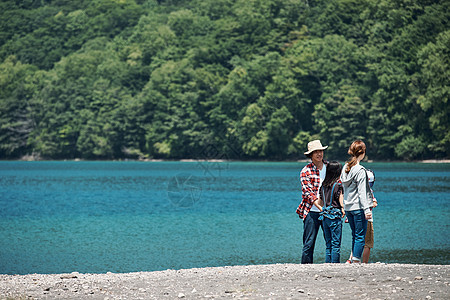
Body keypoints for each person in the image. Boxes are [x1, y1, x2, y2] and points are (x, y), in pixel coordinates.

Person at [340, 140, 374, 264]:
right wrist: (367, 210)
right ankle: (356, 261)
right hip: (358, 207)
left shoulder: (345, 167)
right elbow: (362, 192)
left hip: (348, 206)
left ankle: (354, 259)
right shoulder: (360, 170)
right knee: (360, 236)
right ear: (363, 153)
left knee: (355, 235)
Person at [296, 140, 328, 264]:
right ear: (311, 155)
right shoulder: (305, 171)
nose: (319, 154)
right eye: (316, 152)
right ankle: (305, 268)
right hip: (311, 211)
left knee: (331, 243)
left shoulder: (330, 167)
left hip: (328, 210)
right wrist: (320, 208)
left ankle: (332, 266)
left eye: (321, 151)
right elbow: (308, 193)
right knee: (308, 244)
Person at [315, 161, 345, 263]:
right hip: (335, 216)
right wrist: (343, 209)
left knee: (328, 244)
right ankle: (335, 265)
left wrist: (324, 209)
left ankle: (328, 264)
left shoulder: (323, 185)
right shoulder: (338, 185)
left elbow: (320, 202)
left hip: (324, 217)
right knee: (336, 244)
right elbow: (341, 201)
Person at [346, 169, 378, 263]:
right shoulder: (368, 191)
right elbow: (373, 203)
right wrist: (372, 203)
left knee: (356, 238)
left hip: (353, 216)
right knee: (367, 243)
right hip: (366, 218)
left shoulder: (354, 189)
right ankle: (364, 262)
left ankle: (350, 259)